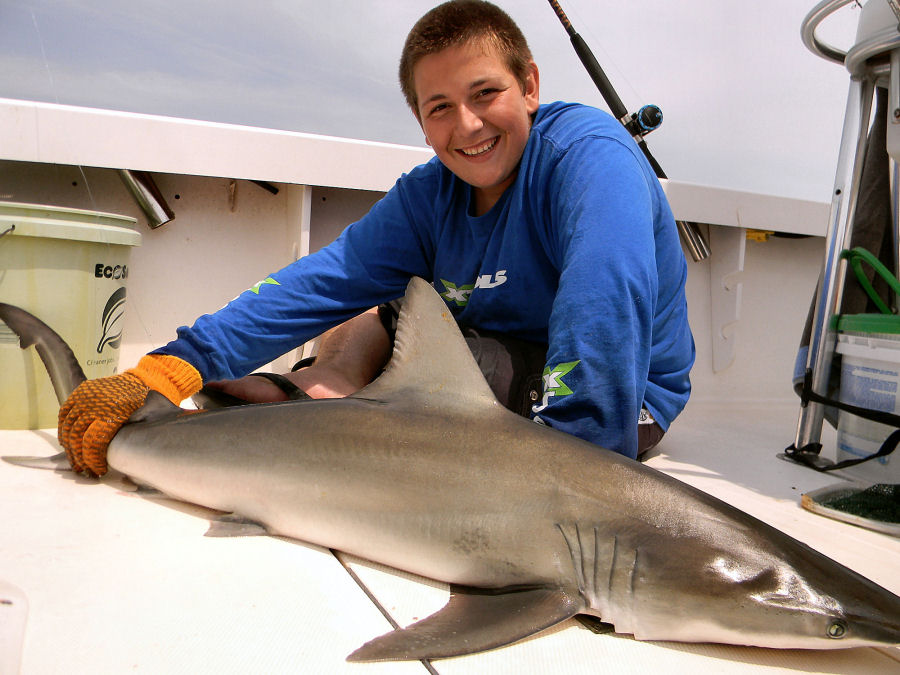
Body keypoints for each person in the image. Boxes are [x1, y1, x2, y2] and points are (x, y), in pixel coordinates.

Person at [58, 0, 694, 477]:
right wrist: (173, 366)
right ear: (420, 121)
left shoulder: (588, 157)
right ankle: (317, 386)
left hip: (618, 394)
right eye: (439, 107)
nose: (467, 125)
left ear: (529, 86)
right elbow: (322, 282)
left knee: (470, 368)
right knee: (384, 307)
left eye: (485, 93)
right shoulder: (430, 194)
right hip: (491, 337)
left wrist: (580, 476)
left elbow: (603, 302)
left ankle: (328, 398)